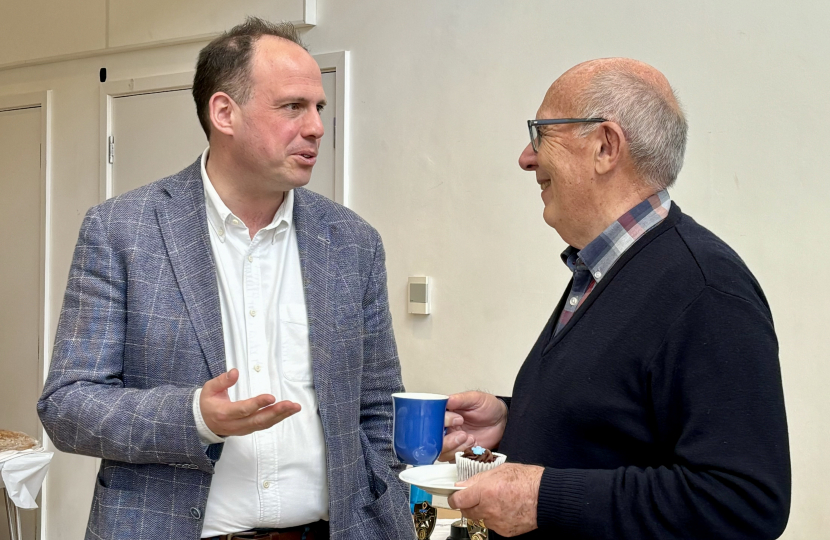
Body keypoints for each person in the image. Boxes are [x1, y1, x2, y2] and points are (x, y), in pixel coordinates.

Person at [38, 18, 415, 540]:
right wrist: (194, 415)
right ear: (224, 113)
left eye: (319, 108)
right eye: (292, 107)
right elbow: (68, 405)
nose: (316, 127)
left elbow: (377, 405)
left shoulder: (352, 242)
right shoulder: (122, 231)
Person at [441, 58, 790, 539]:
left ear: (606, 146)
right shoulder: (602, 268)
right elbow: (617, 422)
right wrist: (511, 418)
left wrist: (542, 499)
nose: (527, 157)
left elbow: (744, 502)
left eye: (541, 133)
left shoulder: (706, 289)